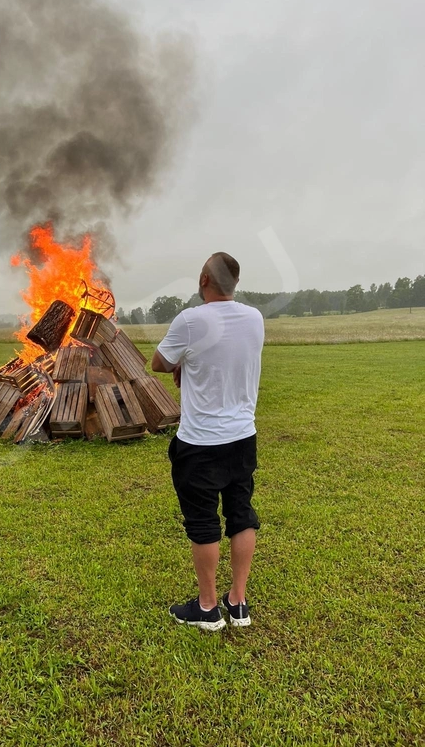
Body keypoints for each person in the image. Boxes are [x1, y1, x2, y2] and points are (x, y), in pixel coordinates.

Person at [151, 252, 264, 630]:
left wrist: (183, 362)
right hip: (243, 436)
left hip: (200, 443)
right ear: (235, 284)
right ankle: (239, 602)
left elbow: (159, 362)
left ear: (203, 281)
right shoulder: (254, 318)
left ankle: (206, 607)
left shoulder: (190, 320)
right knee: (241, 514)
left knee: (202, 523)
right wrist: (192, 361)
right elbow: (227, 355)